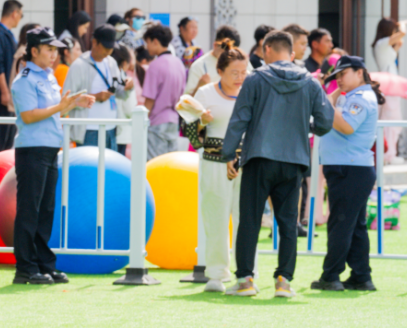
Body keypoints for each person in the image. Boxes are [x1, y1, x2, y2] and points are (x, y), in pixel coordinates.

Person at [221, 30, 333, 298]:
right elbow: (325, 121)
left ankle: (245, 280)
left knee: (249, 220)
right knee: (288, 223)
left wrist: (229, 154)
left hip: (259, 157)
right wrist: (307, 127)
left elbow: (239, 119)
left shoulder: (255, 78)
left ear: (267, 49)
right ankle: (284, 281)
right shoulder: (310, 81)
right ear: (291, 52)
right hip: (294, 160)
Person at [10, 27, 94, 284]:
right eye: (49, 49)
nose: (54, 54)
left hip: (48, 148)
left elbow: (53, 110)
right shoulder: (24, 79)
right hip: (32, 149)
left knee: (45, 210)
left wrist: (72, 103)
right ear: (34, 51)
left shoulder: (47, 76)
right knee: (29, 210)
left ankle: (44, 265)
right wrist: (61, 106)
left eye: (55, 50)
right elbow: (29, 116)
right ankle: (25, 268)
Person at [181, 43, 248, 293]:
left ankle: (246, 273)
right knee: (216, 217)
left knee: (246, 219)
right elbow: (190, 132)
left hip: (246, 163)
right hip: (214, 161)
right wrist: (201, 121)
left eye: (243, 72)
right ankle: (217, 274)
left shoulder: (250, 92)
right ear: (220, 71)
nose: (240, 77)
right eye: (234, 73)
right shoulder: (205, 93)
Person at [312, 56, 381, 292]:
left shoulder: (360, 98)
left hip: (349, 168)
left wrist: (323, 99)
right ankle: (361, 276)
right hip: (350, 167)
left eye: (343, 74)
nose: (339, 79)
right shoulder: (352, 96)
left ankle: (331, 275)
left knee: (340, 224)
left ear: (359, 72)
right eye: (336, 75)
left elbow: (346, 126)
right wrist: (329, 95)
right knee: (355, 226)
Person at [62, 24, 127, 150]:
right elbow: (66, 100)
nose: (108, 51)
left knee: (109, 163)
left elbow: (120, 93)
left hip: (111, 127)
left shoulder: (112, 62)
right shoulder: (79, 65)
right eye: (106, 47)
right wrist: (95, 97)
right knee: (89, 163)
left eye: (111, 48)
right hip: (88, 129)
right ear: (94, 42)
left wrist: (127, 87)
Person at [141, 24, 186, 160]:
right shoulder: (178, 63)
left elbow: (150, 99)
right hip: (174, 120)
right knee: (169, 163)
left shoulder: (155, 65)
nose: (147, 47)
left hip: (156, 121)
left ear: (155, 41)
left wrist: (141, 121)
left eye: (148, 43)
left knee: (154, 163)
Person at [0, 0, 24, 151]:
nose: (20, 18)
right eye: (21, 15)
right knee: (2, 138)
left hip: (8, 93)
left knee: (8, 136)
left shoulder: (5, 34)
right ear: (14, 13)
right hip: (2, 95)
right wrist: (4, 91)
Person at [372, 18, 407, 164]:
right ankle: (388, 155)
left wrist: (397, 44)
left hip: (390, 84)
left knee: (390, 120)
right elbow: (402, 34)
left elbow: (397, 45)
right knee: (391, 120)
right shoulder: (382, 43)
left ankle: (388, 153)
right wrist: (402, 25)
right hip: (388, 85)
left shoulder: (382, 45)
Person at [186, 25, 247, 95]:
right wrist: (199, 87)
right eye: (227, 49)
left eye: (234, 50)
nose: (230, 54)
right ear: (215, 45)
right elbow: (186, 100)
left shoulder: (241, 61)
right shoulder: (199, 66)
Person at [110, 44, 139, 156]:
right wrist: (129, 90)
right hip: (120, 132)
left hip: (105, 129)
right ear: (124, 63)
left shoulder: (106, 75)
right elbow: (130, 110)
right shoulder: (126, 81)